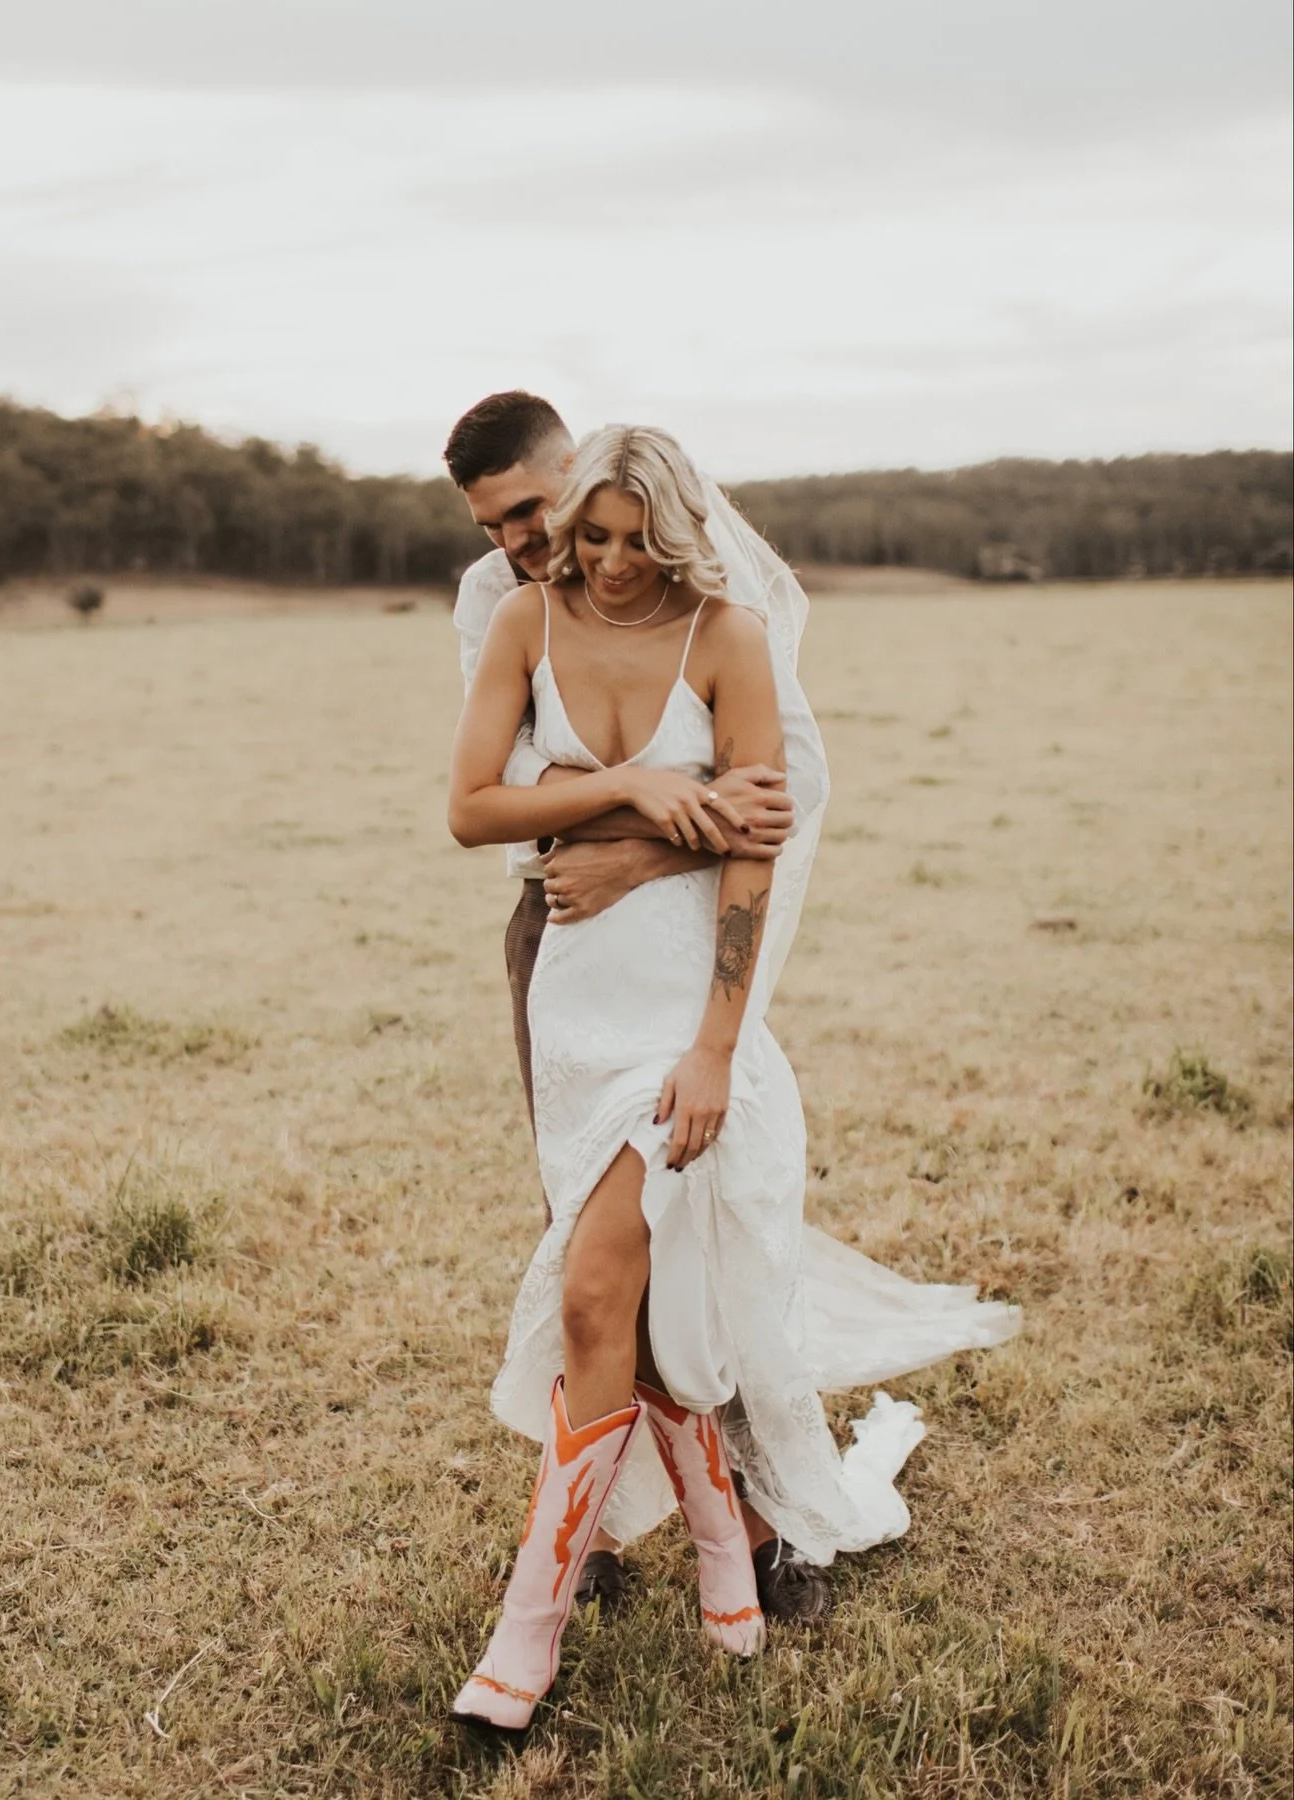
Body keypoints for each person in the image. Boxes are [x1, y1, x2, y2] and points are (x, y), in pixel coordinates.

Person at [445, 424, 1020, 1731]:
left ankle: (625, 1587)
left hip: (680, 980)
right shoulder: (505, 608)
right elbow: (484, 798)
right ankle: (679, 1538)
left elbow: (772, 804)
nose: (552, 550)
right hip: (568, 972)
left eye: (559, 519)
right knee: (614, 1283)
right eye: (530, 531)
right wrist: (643, 788)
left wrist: (684, 956)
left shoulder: (728, 628)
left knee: (647, 1273)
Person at [444, 392, 836, 1629]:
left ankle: (767, 1528)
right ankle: (593, 1522)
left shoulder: (718, 600)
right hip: (558, 933)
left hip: (683, 933)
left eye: (529, 510)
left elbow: (789, 786)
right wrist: (630, 805)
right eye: (499, 523)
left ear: (583, 469)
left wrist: (645, 855)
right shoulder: (494, 602)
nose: (526, 539)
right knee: (583, 1229)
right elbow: (516, 783)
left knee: (708, 1219)